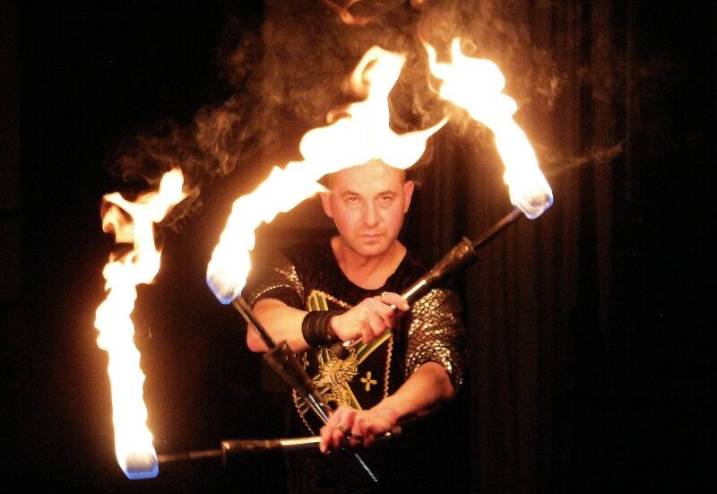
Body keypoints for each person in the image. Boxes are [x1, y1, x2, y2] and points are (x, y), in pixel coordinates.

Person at [241, 159, 468, 493]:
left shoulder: (428, 284)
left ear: (407, 197)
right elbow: (260, 330)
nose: (371, 219)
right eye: (353, 199)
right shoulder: (294, 263)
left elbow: (438, 373)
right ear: (327, 201)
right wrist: (336, 323)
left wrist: (384, 413)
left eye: (385, 198)